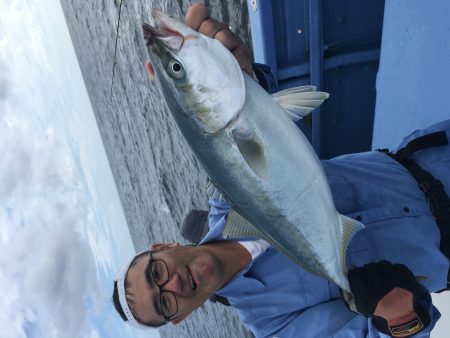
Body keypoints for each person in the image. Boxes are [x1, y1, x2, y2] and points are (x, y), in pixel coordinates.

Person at [112, 4, 450, 337]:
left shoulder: (225, 192)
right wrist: (398, 318)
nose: (173, 285)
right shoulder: (274, 326)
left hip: (434, 156)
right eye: (165, 303)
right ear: (179, 318)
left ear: (162, 247)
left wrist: (244, 75)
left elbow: (260, 113)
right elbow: (392, 330)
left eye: (156, 272)